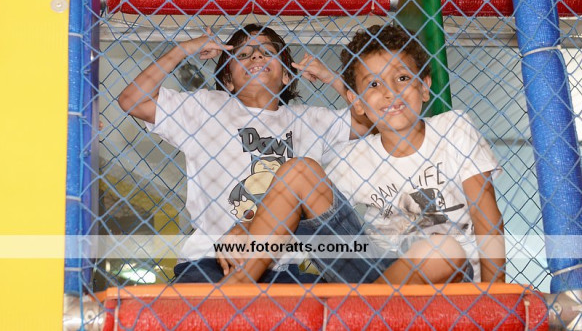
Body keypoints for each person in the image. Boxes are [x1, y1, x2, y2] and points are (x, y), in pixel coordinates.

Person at [222, 24, 505, 285]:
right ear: (356, 102)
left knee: (442, 249)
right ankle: (237, 287)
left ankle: (361, 311)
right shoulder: (354, 158)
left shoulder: (453, 129)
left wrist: (494, 300)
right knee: (299, 170)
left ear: (424, 86)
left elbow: (488, 221)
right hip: (373, 273)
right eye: (374, 84)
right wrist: (245, 226)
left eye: (402, 78)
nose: (390, 92)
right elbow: (292, 196)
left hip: (450, 279)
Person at [117, 23, 372, 283]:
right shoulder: (207, 107)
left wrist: (331, 78)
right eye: (243, 54)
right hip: (211, 261)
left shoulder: (309, 120)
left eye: (267, 52)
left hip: (281, 269)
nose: (256, 56)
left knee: (338, 295)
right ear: (228, 80)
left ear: (286, 75)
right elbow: (132, 100)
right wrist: (184, 49)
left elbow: (371, 120)